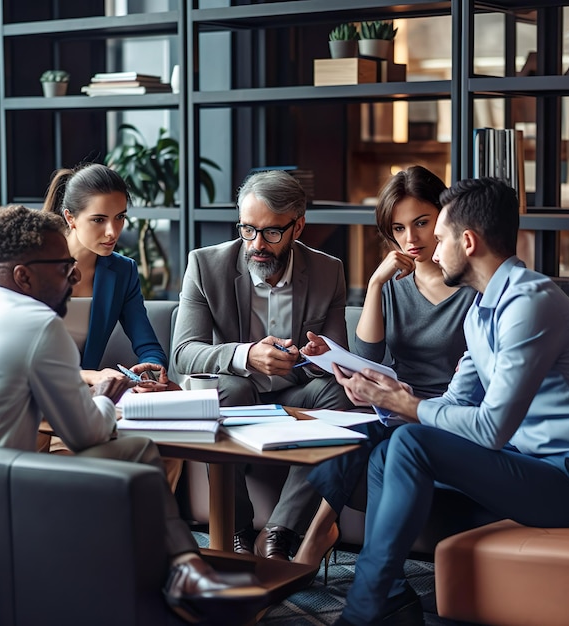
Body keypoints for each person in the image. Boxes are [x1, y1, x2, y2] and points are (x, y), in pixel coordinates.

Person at [0, 205, 266, 625]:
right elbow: (86, 436)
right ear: (23, 276)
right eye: (62, 265)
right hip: (5, 496)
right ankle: (185, 570)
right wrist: (101, 394)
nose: (74, 276)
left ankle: (170, 570)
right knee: (137, 450)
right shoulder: (37, 324)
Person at [331, 177, 569, 626]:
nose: (431, 249)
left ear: (468, 241)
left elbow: (489, 428)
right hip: (521, 464)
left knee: (411, 443)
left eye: (439, 237)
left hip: (565, 476)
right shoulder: (480, 311)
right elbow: (451, 405)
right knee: (390, 450)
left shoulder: (531, 302)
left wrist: (410, 408)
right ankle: (389, 601)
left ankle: (360, 612)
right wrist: (393, 397)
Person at [293, 166, 476, 570]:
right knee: (350, 432)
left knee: (377, 438)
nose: (411, 239)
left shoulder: (471, 288)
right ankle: (320, 536)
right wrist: (376, 284)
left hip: (445, 413)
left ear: (445, 218)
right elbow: (368, 357)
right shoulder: (393, 287)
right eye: (398, 229)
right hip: (394, 408)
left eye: (422, 223)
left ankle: (320, 541)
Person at [171, 169, 354, 560]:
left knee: (339, 394)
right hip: (240, 389)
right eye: (247, 229)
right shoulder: (206, 266)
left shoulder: (327, 271)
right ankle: (235, 528)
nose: (257, 244)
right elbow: (184, 352)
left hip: (298, 387)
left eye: (271, 232)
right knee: (228, 390)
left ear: (297, 227)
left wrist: (320, 354)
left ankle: (279, 531)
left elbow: (336, 357)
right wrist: (245, 354)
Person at [43, 163, 181, 486]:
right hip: (42, 403)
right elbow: (30, 362)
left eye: (120, 217)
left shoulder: (123, 272)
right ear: (70, 218)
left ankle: (149, 536)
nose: (113, 232)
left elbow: (146, 343)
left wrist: (152, 371)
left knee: (170, 449)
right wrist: (94, 378)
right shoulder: (37, 268)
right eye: (99, 220)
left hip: (93, 401)